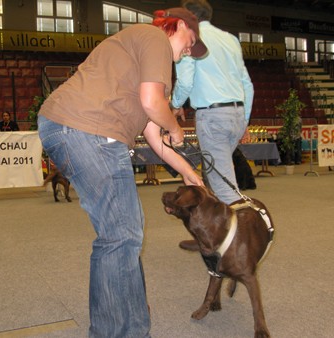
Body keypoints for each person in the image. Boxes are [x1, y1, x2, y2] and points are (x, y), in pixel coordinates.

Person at [37, 8, 205, 338]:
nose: (190, 50)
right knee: (119, 236)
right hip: (89, 131)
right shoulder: (155, 38)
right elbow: (153, 104)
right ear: (180, 25)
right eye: (191, 41)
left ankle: (134, 325)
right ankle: (113, 332)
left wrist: (188, 172)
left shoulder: (150, 59)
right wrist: (176, 127)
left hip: (71, 128)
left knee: (126, 233)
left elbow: (154, 136)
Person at [170, 0, 254, 249]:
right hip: (236, 114)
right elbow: (246, 84)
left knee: (225, 186)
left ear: (187, 18)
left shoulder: (190, 36)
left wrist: (175, 105)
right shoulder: (230, 39)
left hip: (213, 117)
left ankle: (242, 245)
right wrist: (245, 120)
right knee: (214, 177)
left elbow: (185, 81)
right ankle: (210, 236)